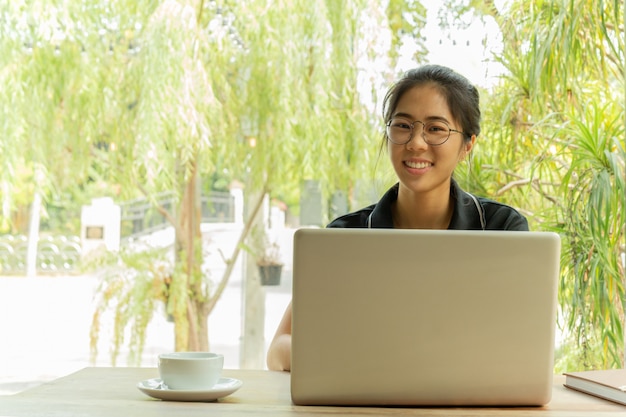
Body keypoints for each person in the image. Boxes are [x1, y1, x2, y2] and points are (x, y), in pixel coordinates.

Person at [266, 64, 528, 372]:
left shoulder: (502, 230)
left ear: (467, 145)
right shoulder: (345, 237)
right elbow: (280, 348)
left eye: (436, 128)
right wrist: (367, 362)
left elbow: (517, 349)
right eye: (403, 125)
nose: (416, 142)